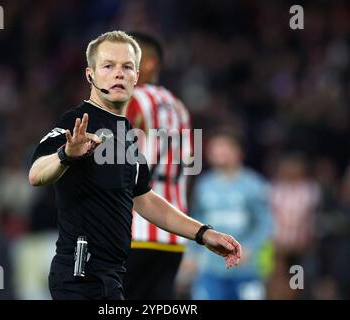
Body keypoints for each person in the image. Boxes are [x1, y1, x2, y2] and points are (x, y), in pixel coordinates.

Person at [28, 30, 242, 300]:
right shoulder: (77, 121)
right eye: (108, 66)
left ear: (137, 77)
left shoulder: (126, 133)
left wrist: (203, 233)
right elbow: (36, 174)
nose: (119, 73)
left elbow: (145, 199)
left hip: (112, 275)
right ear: (90, 75)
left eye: (127, 67)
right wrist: (65, 155)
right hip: (80, 274)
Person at [123, 32, 192, 299]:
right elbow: (189, 165)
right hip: (174, 233)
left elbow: (112, 161)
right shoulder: (180, 107)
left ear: (149, 63)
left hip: (132, 229)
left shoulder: (132, 99)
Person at [180, 129, 272, 300]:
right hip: (209, 268)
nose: (218, 152)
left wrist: (250, 248)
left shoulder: (254, 184)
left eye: (224, 147)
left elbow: (265, 223)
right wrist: (191, 254)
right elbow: (195, 221)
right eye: (214, 148)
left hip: (245, 269)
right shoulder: (204, 185)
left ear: (238, 151)